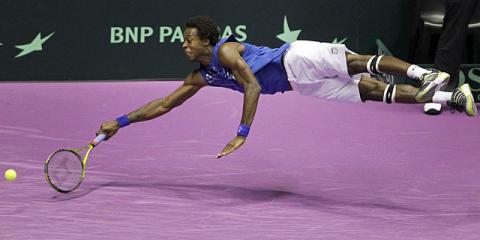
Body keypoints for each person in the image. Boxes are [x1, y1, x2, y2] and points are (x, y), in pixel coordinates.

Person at [96, 16, 477, 159]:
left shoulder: (226, 52)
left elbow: (253, 87)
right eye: (183, 40)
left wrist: (242, 132)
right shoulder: (200, 77)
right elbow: (164, 104)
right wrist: (120, 120)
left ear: (207, 43)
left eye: (189, 40)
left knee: (358, 61)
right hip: (300, 85)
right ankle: (451, 97)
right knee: (373, 91)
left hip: (294, 58)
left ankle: (424, 75)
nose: (184, 45)